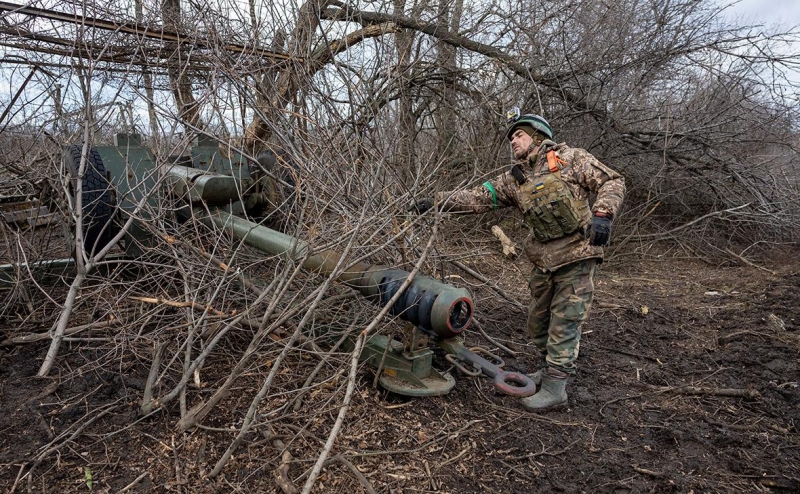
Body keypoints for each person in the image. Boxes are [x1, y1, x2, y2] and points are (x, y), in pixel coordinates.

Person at [411, 110, 625, 411]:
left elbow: (613, 181)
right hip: (543, 261)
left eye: (518, 135)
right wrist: (435, 202)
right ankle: (547, 368)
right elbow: (476, 198)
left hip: (577, 255)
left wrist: (603, 215)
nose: (513, 141)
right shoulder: (515, 179)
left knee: (565, 322)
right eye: (511, 138)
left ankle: (556, 387)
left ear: (537, 135)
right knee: (538, 322)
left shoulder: (570, 159)